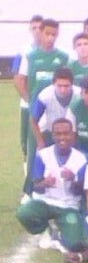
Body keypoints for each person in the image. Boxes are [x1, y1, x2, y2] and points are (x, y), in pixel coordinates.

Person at [14, 18, 69, 198]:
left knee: (58, 148)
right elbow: (19, 80)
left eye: (54, 34)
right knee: (35, 150)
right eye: (47, 34)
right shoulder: (30, 56)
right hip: (38, 113)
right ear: (41, 33)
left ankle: (56, 189)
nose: (50, 38)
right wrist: (30, 102)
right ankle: (29, 191)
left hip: (57, 111)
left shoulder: (63, 57)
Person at [16, 118, 87, 253]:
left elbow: (80, 191)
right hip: (46, 202)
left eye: (66, 133)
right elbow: (36, 187)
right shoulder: (43, 156)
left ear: (72, 135)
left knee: (75, 244)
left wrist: (73, 179)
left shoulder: (80, 159)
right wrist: (45, 183)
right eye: (58, 134)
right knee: (23, 213)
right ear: (52, 135)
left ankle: (58, 232)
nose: (62, 137)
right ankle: (45, 229)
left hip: (68, 206)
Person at [12, 14, 43, 171]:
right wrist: (30, 102)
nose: (37, 31)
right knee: (27, 143)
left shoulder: (55, 52)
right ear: (30, 30)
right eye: (34, 28)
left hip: (47, 106)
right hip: (28, 106)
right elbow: (18, 79)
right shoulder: (24, 51)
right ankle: (27, 178)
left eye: (40, 28)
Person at [30, 67, 80, 149]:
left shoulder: (79, 95)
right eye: (59, 86)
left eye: (66, 86)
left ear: (72, 84)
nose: (63, 90)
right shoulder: (45, 96)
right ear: (53, 84)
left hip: (74, 134)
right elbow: (33, 120)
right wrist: (40, 143)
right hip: (50, 134)